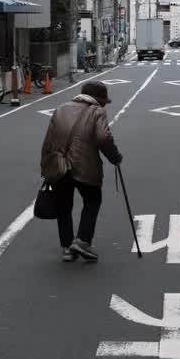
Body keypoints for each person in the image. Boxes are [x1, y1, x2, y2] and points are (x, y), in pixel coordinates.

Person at [40, 81, 122, 262]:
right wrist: (115, 157)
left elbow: (48, 140)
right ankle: (83, 240)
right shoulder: (97, 111)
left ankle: (68, 247)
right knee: (92, 201)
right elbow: (103, 137)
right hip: (86, 166)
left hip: (59, 167)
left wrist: (45, 167)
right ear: (98, 99)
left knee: (63, 206)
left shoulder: (60, 109)